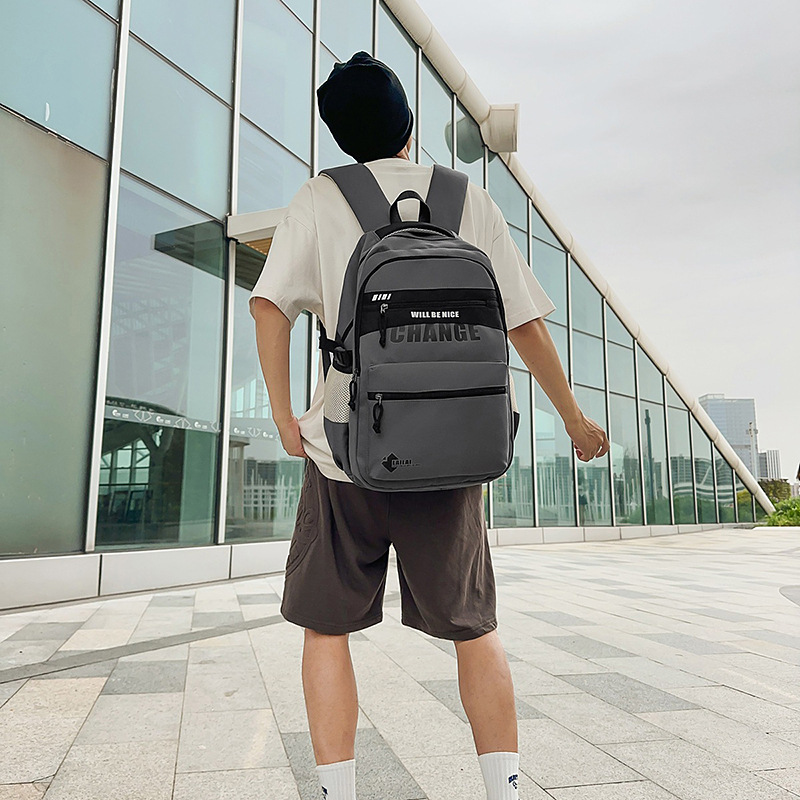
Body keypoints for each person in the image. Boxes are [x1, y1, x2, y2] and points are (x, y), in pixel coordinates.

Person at [250, 51, 610, 800]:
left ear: (342, 138)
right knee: (474, 629)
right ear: (409, 123)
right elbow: (525, 322)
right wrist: (572, 417)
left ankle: (336, 793)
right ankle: (503, 789)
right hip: (448, 453)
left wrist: (287, 418)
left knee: (327, 629)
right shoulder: (463, 196)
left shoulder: (320, 196)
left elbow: (268, 307)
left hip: (343, 452)